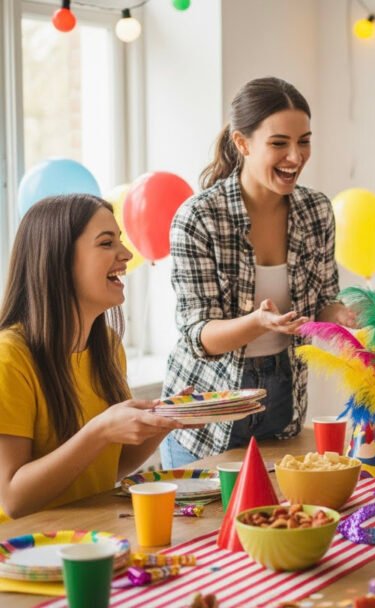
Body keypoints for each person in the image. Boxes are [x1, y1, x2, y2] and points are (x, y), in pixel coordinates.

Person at [161, 77, 354, 467]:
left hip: (282, 398)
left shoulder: (316, 210)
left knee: (283, 505)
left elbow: (324, 302)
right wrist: (257, 323)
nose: (295, 157)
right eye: (279, 143)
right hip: (205, 413)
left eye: (304, 141)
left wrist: (346, 317)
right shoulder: (199, 217)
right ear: (242, 143)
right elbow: (200, 336)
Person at [0, 194, 182, 522]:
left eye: (120, 240)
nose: (126, 254)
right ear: (58, 260)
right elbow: (14, 499)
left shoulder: (107, 347)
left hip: (95, 535)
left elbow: (111, 466)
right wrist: (100, 430)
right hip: (30, 546)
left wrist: (169, 419)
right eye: (106, 243)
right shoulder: (8, 358)